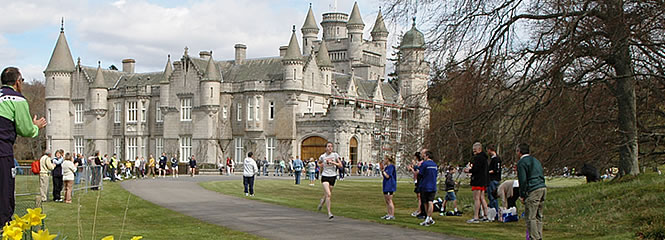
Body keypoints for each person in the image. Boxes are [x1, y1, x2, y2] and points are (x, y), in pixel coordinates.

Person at [0, 67, 47, 225]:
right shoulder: (17, 99)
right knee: (5, 194)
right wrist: (35, 126)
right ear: (17, 82)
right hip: (2, 151)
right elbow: (25, 129)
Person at [516, 143, 547, 240]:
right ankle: (539, 235)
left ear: (519, 152)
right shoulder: (535, 160)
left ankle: (535, 237)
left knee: (530, 217)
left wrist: (522, 194)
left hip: (533, 189)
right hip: (542, 187)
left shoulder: (522, 163)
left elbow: (523, 180)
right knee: (539, 215)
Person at [317, 142, 342, 220]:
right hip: (325, 176)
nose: (330, 148)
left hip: (333, 176)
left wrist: (333, 163)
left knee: (328, 194)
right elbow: (318, 162)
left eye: (331, 146)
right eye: (328, 146)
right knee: (328, 194)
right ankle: (329, 213)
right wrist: (320, 165)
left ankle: (322, 201)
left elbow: (340, 165)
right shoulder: (323, 156)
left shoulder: (335, 155)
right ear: (326, 148)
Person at [465, 142, 489, 223]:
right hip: (483, 180)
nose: (474, 152)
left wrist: (469, 170)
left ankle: (476, 216)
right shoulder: (485, 158)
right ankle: (486, 215)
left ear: (479, 149)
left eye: (475, 150)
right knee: (482, 198)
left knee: (476, 198)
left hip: (477, 180)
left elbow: (476, 169)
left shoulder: (478, 158)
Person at [417, 150, 438, 226]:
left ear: (427, 156)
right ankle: (429, 217)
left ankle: (427, 217)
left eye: (424, 155)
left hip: (425, 185)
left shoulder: (425, 164)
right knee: (431, 201)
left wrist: (416, 169)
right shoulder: (435, 165)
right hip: (433, 185)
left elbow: (420, 174)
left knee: (425, 202)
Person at [407, 152, 426, 219]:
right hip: (416, 180)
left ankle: (420, 210)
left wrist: (413, 168)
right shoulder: (418, 163)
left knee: (420, 196)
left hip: (419, 181)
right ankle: (419, 209)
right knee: (418, 196)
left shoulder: (421, 163)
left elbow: (418, 172)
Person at [487, 145, 502, 220]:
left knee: (492, 196)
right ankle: (491, 211)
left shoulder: (495, 159)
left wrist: (487, 172)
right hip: (494, 179)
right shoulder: (496, 158)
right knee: (491, 196)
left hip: (493, 179)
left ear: (490, 150)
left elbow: (495, 170)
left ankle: (495, 212)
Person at [380, 156, 397, 220]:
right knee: (386, 200)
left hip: (390, 185)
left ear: (388, 159)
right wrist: (382, 170)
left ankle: (392, 215)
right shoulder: (387, 167)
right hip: (385, 185)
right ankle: (388, 213)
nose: (384, 160)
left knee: (389, 200)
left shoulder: (391, 167)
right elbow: (384, 175)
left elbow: (387, 176)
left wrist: (383, 171)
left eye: (385, 159)